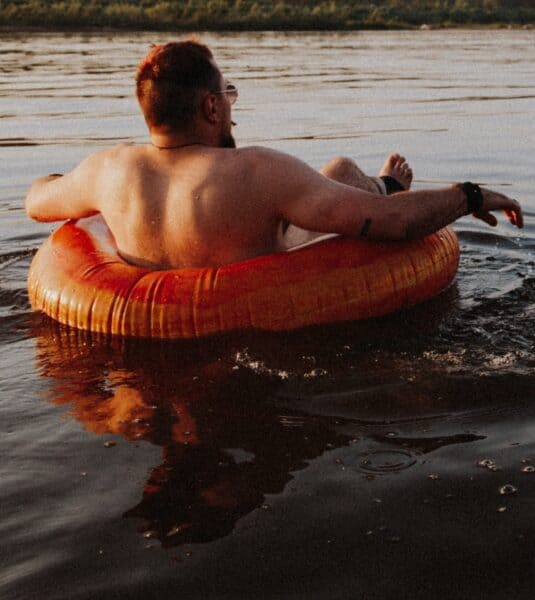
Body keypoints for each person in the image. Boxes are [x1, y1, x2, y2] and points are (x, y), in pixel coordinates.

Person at [25, 40, 523, 270]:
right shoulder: (257, 170)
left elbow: (36, 200)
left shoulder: (105, 171)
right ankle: (383, 181)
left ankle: (366, 179)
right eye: (230, 95)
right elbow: (389, 224)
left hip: (156, 352)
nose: (234, 111)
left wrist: (66, 179)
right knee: (343, 172)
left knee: (336, 174)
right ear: (211, 106)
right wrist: (471, 194)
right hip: (266, 324)